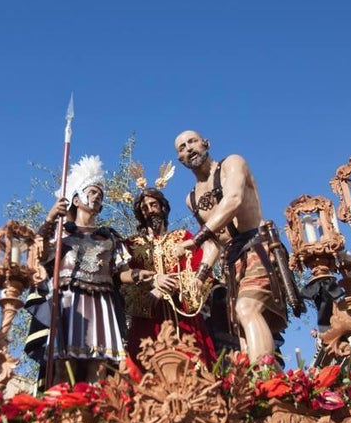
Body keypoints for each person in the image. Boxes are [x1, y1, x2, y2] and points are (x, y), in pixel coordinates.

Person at [174, 130, 289, 364]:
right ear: (180, 159)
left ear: (206, 143)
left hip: (257, 246)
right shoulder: (191, 198)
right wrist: (200, 276)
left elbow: (233, 200)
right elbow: (214, 242)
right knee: (240, 327)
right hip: (232, 260)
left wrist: (195, 239)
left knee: (247, 309)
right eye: (182, 147)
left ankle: (265, 381)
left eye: (192, 141)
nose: (189, 148)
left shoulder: (232, 164)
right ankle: (263, 388)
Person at [36, 156, 145, 383]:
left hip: (101, 302)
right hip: (68, 300)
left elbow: (120, 272)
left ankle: (96, 414)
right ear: (76, 199)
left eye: (100, 194)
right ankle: (60, 412)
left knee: (99, 365)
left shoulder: (109, 237)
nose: (97, 197)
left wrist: (136, 275)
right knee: (63, 365)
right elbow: (37, 253)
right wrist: (49, 219)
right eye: (92, 191)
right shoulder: (61, 233)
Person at [123, 187, 216, 364]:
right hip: (148, 321)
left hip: (182, 318)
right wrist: (154, 287)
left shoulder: (183, 237)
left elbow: (203, 274)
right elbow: (124, 284)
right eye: (144, 208)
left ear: (162, 207)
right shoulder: (131, 245)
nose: (150, 211)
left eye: (153, 205)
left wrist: (177, 284)